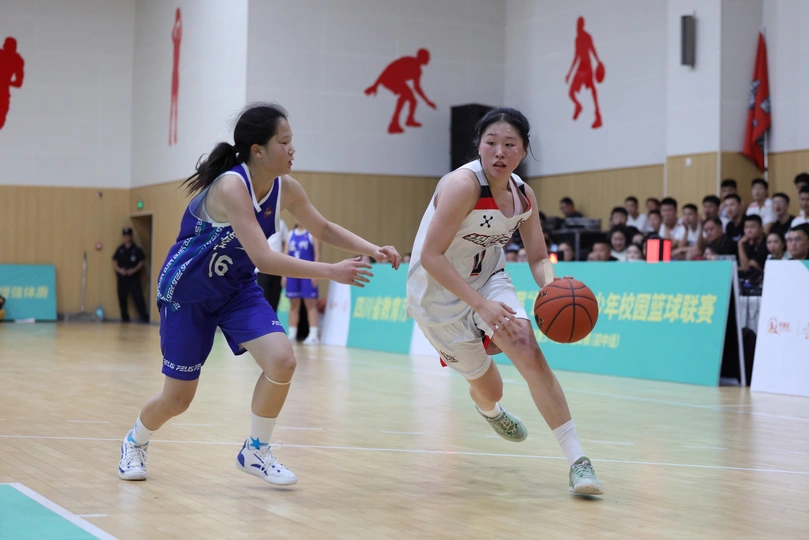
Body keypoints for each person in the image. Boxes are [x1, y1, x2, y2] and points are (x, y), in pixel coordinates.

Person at [118, 103, 401, 486]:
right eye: (284, 142)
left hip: (235, 289)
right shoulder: (232, 186)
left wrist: (372, 249)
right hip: (187, 293)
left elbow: (323, 227)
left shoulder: (287, 188)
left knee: (282, 361)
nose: (292, 149)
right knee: (178, 399)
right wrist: (330, 271)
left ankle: (256, 450)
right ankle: (135, 441)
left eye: (291, 141)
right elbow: (264, 259)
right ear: (258, 150)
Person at [406, 107, 604, 496]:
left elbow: (538, 256)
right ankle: (490, 409)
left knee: (529, 351)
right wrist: (479, 306)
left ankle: (579, 462)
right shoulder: (462, 185)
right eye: (491, 142)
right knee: (490, 388)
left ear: (524, 150)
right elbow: (431, 256)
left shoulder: (523, 195)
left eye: (510, 144)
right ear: (479, 146)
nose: (499, 152)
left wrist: (551, 287)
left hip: (489, 280)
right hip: (436, 295)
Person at [285, 224, 321, 345]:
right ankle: (292, 334)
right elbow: (285, 255)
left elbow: (317, 254)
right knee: (293, 304)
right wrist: (284, 275)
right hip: (292, 274)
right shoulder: (291, 234)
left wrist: (316, 274)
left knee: (310, 304)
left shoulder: (312, 233)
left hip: (308, 274)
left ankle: (313, 335)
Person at [112, 227, 149, 323]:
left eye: (128, 236)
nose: (126, 238)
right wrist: (120, 270)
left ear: (131, 236)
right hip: (122, 278)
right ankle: (124, 318)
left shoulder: (136, 249)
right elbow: (114, 262)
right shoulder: (120, 249)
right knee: (122, 297)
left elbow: (141, 261)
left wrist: (133, 270)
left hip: (134, 278)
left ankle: (144, 317)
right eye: (124, 236)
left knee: (138, 297)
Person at [256, 218, 289, 312]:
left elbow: (286, 243)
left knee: (274, 301)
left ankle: (273, 320)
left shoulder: (281, 223)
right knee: (264, 300)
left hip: (277, 269)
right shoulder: (258, 221)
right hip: (262, 269)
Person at [0, 37, 25, 131]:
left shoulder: (17, 59)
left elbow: (19, 83)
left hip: (3, 94)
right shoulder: (17, 59)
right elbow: (18, 83)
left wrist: (5, 81)